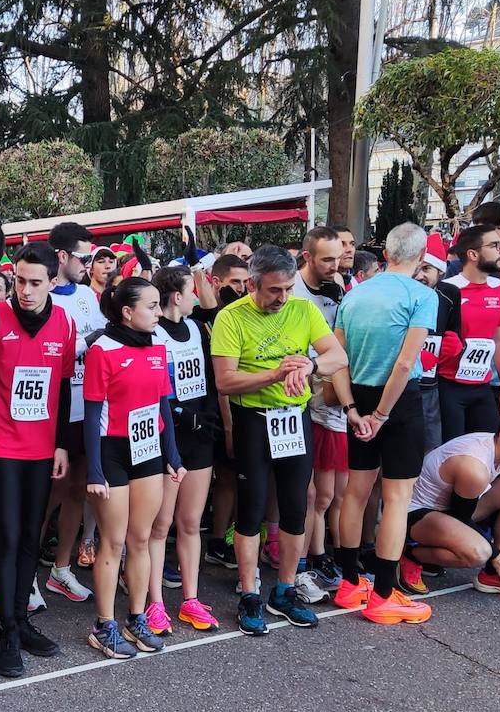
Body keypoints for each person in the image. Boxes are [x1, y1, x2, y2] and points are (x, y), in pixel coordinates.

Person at [210, 246, 353, 636]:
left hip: (295, 418)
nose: (283, 298)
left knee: (296, 505)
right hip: (252, 418)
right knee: (253, 508)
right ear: (253, 284)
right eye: (274, 290)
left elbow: (337, 356)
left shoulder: (303, 311)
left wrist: (309, 364)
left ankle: (286, 589)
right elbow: (225, 380)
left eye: (289, 288)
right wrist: (275, 374)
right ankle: (249, 591)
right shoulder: (231, 318)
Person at [0, 242, 73, 675]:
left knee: (32, 534)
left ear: (52, 281)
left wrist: (62, 443)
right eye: (19, 282)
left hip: (42, 447)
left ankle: (23, 620)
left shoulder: (63, 321)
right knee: (8, 535)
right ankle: (8, 630)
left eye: (34, 283)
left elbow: (64, 386)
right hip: (1, 446)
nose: (24, 291)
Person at [332, 222, 437, 622]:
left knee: (356, 491)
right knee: (397, 498)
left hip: (358, 393)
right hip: (398, 401)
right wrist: (381, 415)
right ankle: (383, 595)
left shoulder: (355, 294)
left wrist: (353, 410)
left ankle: (348, 583)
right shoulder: (421, 294)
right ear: (421, 255)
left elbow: (336, 359)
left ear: (386, 252)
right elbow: (407, 362)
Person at [83, 277, 181, 658]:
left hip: (149, 449)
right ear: (128, 312)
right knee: (114, 540)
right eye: (152, 306)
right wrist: (93, 470)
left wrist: (173, 455)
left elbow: (163, 404)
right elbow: (92, 415)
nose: (159, 312)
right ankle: (103, 625)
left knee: (141, 538)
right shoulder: (102, 350)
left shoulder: (159, 344)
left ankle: (136, 618)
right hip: (112, 451)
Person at [403, 408, 500, 600]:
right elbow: (460, 517)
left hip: (450, 510)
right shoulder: (474, 467)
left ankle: (492, 575)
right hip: (416, 515)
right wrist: (497, 555)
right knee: (479, 553)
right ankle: (410, 555)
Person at [146, 265, 220, 633]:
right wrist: (177, 414)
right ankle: (155, 602)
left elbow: (205, 376)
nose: (197, 296)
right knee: (160, 526)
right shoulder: (154, 332)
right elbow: (154, 388)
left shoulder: (195, 327)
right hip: (167, 437)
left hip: (198, 434)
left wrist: (206, 416)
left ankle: (190, 599)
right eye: (193, 290)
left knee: (191, 523)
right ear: (177, 296)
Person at [45, 222, 104, 600]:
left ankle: (60, 569)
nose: (90, 263)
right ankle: (24, 579)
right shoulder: (42, 295)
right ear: (63, 256)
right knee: (47, 495)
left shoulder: (86, 295)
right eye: (84, 256)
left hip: (88, 406)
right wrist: (84, 342)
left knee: (78, 492)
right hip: (54, 407)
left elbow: (100, 340)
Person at [289, 226, 348, 599]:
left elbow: (336, 351)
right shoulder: (291, 290)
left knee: (324, 495)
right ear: (308, 257)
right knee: (304, 493)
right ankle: (293, 565)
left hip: (325, 397)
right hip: (292, 400)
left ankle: (317, 557)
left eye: (339, 256)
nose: (336, 264)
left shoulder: (338, 287)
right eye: (327, 258)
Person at [439, 224, 500, 440]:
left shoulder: (498, 288)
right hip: (449, 386)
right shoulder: (447, 290)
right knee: (450, 454)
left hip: (483, 385)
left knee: (484, 451)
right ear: (472, 254)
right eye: (495, 245)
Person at [201, 254, 250, 570]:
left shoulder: (243, 313)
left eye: (246, 283)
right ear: (215, 282)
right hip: (213, 411)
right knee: (222, 478)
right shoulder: (206, 316)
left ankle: (223, 539)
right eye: (235, 282)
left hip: (241, 407)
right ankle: (215, 540)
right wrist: (229, 426)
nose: (242, 289)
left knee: (233, 478)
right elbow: (221, 382)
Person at [412, 240, 463, 452]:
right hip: (400, 380)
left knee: (431, 442)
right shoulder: (404, 292)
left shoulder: (450, 293)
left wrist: (453, 346)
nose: (419, 275)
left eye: (426, 269)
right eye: (415, 268)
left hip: (431, 384)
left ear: (440, 271)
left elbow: (455, 329)